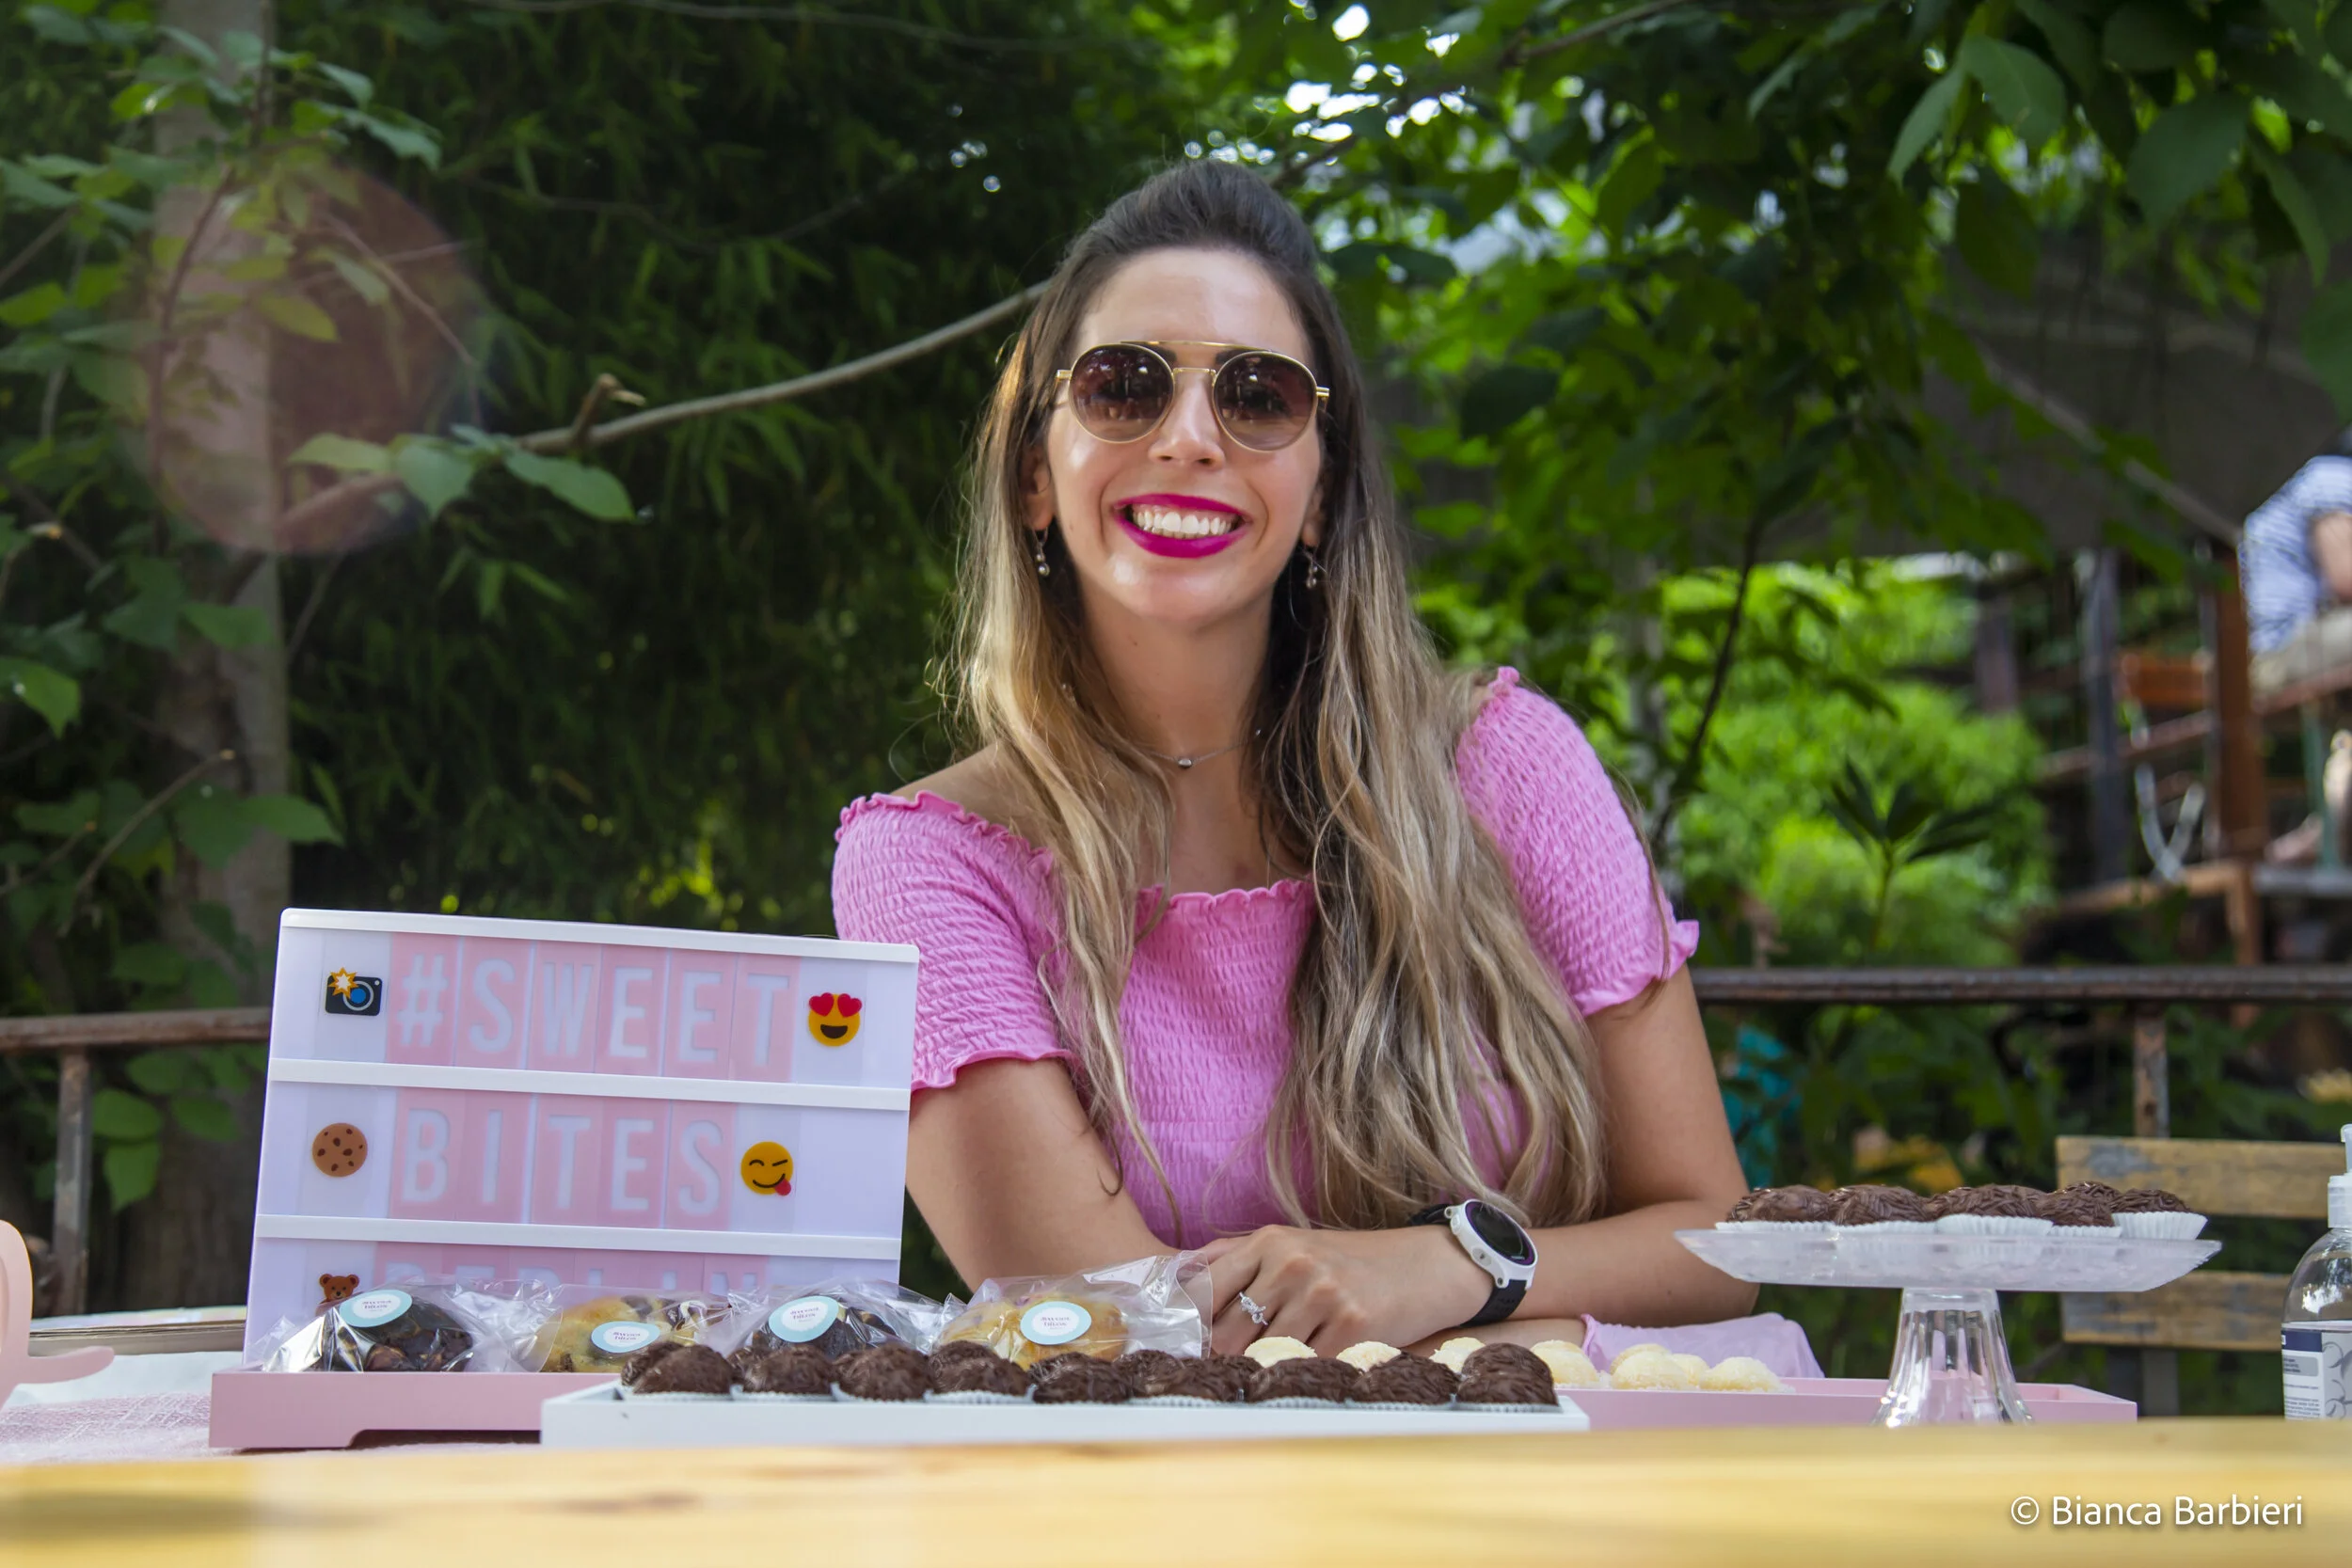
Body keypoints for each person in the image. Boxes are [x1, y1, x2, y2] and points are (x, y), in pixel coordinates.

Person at [831, 160, 1756, 1358]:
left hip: (1592, 1454)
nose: (1188, 439)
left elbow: (1717, 1240)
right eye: (1123, 387)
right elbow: (1113, 1331)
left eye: (1258, 396)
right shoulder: (931, 865)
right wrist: (1516, 1324)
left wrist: (1453, 1265)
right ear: (1033, 475)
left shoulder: (1506, 763)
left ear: (1321, 493)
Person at [2241, 440, 2352, 676]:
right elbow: (2346, 580)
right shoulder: (2329, 476)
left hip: (2260, 653)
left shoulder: (2289, 482)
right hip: (2284, 649)